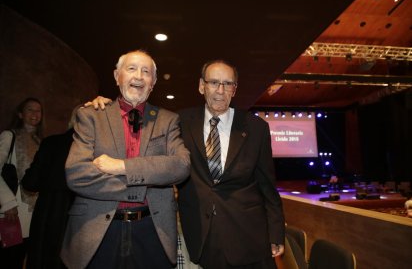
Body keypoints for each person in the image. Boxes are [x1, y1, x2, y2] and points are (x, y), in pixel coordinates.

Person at [89, 59, 286, 269]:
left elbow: (267, 185)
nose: (220, 90)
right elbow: (138, 124)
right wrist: (108, 107)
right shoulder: (178, 121)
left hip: (249, 237)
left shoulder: (256, 128)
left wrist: (276, 232)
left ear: (234, 89)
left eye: (228, 84)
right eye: (213, 83)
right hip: (202, 235)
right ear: (202, 86)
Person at [61, 50, 190, 269]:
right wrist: (142, 187)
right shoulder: (91, 115)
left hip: (152, 232)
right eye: (131, 69)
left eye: (146, 71)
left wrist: (121, 166)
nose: (139, 76)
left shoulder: (168, 120)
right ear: (116, 76)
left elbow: (180, 166)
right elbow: (76, 174)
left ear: (153, 82)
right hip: (97, 231)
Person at [21, 105, 81, 269]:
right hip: (79, 220)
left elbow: (30, 183)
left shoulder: (50, 143)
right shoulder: (97, 150)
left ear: (72, 119)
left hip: (47, 216)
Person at [0, 97, 43, 269]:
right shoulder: (9, 136)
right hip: (12, 209)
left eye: (38, 110)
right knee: (9, 259)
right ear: (20, 114)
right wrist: (8, 202)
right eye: (30, 110)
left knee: (24, 257)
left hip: (33, 211)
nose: (35, 114)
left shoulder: (40, 141)